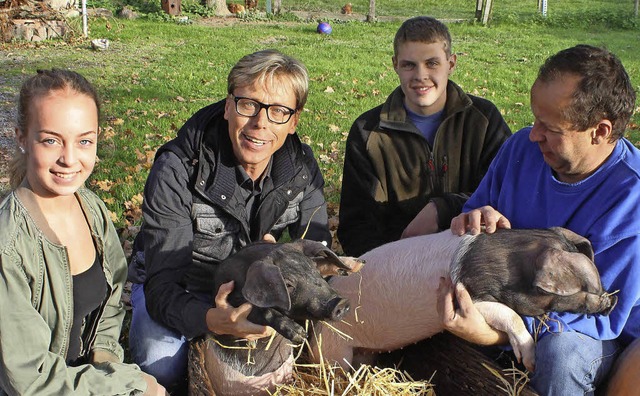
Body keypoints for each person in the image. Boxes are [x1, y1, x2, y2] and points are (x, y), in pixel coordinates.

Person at [127, 49, 332, 394]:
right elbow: (162, 287)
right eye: (248, 104)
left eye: (279, 111)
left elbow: (318, 245)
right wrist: (211, 319)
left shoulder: (301, 170)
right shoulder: (179, 169)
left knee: (312, 350)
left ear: (294, 120)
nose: (260, 123)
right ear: (228, 105)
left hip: (257, 286)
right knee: (161, 359)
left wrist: (292, 260)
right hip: (183, 283)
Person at [441, 45, 640, 395]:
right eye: (535, 119)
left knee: (562, 352)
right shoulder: (520, 149)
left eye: (550, 128)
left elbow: (600, 314)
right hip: (504, 301)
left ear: (600, 131)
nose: (533, 135)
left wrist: (499, 330)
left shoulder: (631, 197)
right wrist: (473, 219)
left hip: (596, 333)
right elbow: (467, 222)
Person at [0, 69, 166, 395]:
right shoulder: (9, 247)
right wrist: (129, 383)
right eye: (51, 140)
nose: (69, 159)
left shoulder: (91, 209)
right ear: (21, 137)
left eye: (84, 141)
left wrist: (107, 368)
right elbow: (29, 380)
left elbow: (111, 305)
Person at [337, 16, 511, 257]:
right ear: (395, 64)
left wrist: (442, 208)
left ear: (451, 63)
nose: (420, 75)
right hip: (399, 262)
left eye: (432, 63)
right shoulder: (368, 132)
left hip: (475, 255)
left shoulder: (483, 120)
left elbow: (506, 194)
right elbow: (356, 227)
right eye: (409, 65)